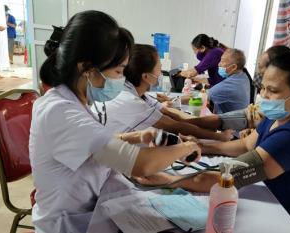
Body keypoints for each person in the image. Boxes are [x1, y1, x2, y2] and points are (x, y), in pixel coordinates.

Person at [138, 46, 290, 233]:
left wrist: (168, 179)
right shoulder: (278, 115)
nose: (264, 98)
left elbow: (226, 177)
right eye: (263, 89)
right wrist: (201, 145)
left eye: (273, 90)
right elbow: (245, 144)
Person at [29, 11, 201, 233]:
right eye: (118, 71)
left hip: (95, 210)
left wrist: (136, 136)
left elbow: (92, 145)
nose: (121, 79)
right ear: (86, 69)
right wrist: (186, 147)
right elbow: (140, 163)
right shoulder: (59, 112)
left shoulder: (74, 103)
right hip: (69, 225)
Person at [104, 44, 233, 141]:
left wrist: (210, 124)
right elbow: (175, 125)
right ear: (146, 77)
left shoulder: (138, 93)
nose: (161, 73)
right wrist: (218, 136)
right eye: (159, 68)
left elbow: (172, 115)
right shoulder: (129, 100)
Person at [208, 48, 251, 114]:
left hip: (230, 123)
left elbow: (205, 97)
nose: (219, 64)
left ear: (233, 67)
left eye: (222, 61)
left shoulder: (233, 84)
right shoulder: (243, 76)